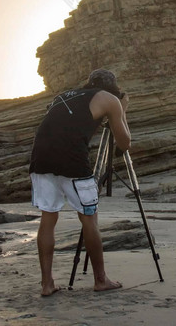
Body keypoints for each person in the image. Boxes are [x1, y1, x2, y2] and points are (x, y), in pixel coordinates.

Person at [29, 69, 131, 296]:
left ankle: (47, 284)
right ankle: (101, 280)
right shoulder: (110, 99)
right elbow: (124, 143)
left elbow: (68, 126)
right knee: (89, 218)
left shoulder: (65, 96)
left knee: (48, 218)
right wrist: (121, 111)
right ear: (112, 87)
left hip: (40, 157)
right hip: (72, 160)